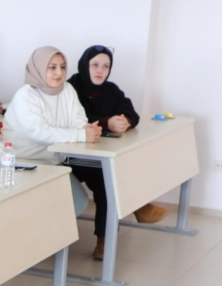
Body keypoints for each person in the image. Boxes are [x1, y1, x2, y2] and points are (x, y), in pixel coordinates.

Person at [5, 46, 109, 258]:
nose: (59, 73)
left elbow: (79, 120)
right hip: (22, 164)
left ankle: (41, 242)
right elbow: (39, 132)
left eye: (62, 67)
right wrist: (81, 135)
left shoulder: (67, 90)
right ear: (38, 68)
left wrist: (87, 130)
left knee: (78, 201)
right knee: (65, 203)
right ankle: (27, 245)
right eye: (52, 67)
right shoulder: (26, 95)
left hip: (54, 163)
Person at [69, 44, 167, 225]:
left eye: (106, 66)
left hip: (100, 152)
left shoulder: (111, 89)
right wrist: (107, 122)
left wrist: (125, 121)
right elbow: (75, 119)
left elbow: (132, 114)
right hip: (73, 154)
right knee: (105, 176)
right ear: (84, 64)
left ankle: (109, 233)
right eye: (95, 65)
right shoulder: (70, 87)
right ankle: (134, 210)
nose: (100, 71)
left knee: (120, 165)